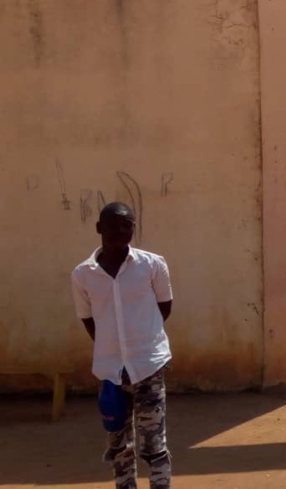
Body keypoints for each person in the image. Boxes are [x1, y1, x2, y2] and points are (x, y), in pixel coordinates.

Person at [71, 202, 173, 489]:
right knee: (118, 443)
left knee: (154, 443)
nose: (121, 230)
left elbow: (164, 308)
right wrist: (113, 346)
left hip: (148, 367)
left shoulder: (153, 264)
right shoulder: (82, 274)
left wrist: (140, 339)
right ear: (98, 229)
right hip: (110, 372)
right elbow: (88, 320)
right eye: (114, 225)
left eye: (127, 224)